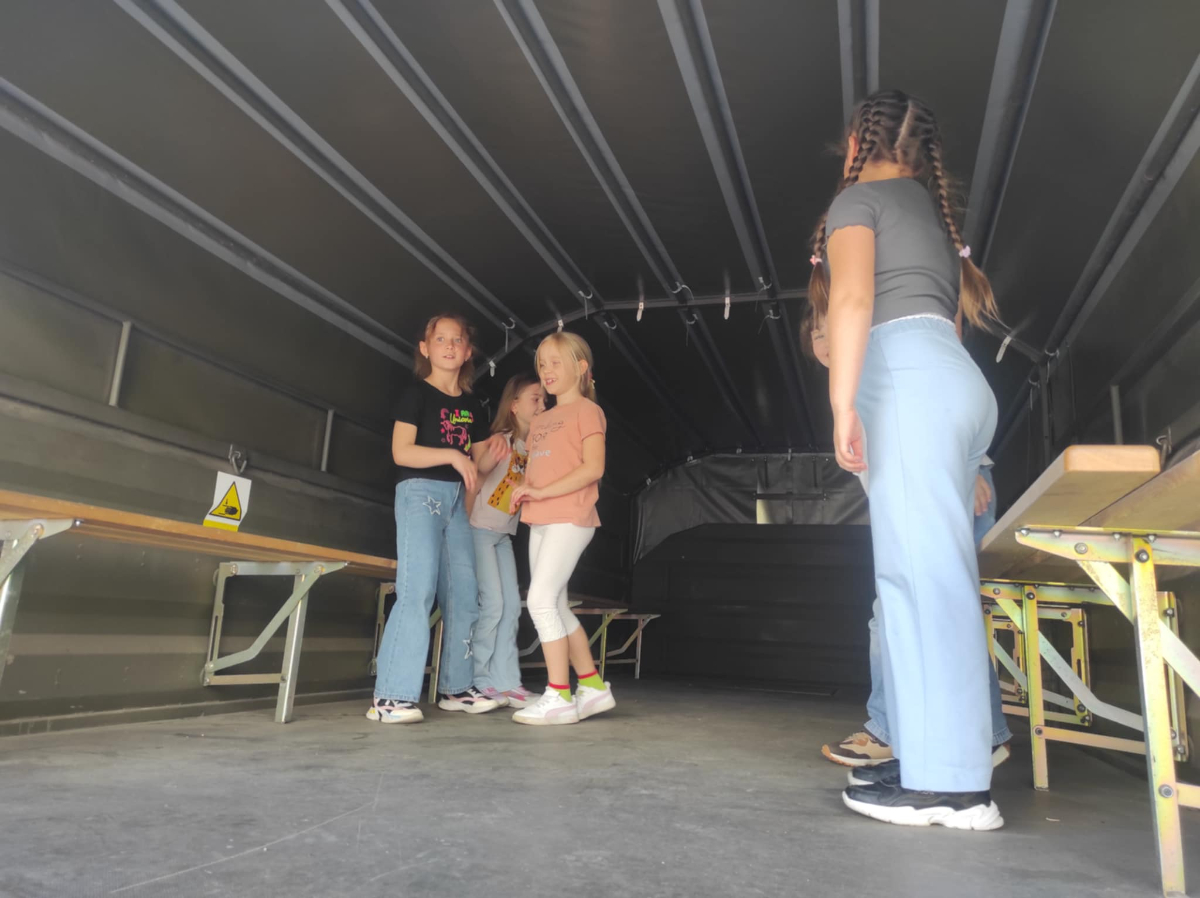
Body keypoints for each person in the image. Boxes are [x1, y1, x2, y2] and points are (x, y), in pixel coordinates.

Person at [810, 89, 1003, 829]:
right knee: (931, 582)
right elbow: (945, 318)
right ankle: (935, 759)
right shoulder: (928, 211)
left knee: (919, 583)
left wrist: (842, 403)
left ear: (858, 141)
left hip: (909, 381)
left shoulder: (858, 201)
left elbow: (852, 302)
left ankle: (953, 788)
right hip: (956, 382)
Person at [802, 308, 1013, 772]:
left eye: (832, 328)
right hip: (914, 502)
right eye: (817, 335)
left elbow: (938, 408)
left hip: (950, 489)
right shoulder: (851, 387)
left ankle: (890, 731)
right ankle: (984, 734)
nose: (826, 342)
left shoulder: (884, 365)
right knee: (932, 613)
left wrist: (975, 469)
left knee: (900, 614)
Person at [368, 313, 501, 724]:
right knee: (417, 590)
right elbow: (402, 452)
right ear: (425, 349)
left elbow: (478, 465)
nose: (449, 345)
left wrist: (493, 455)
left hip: (457, 501)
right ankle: (390, 697)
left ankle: (456, 689)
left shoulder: (473, 405)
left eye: (457, 340)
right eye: (440, 339)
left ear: (467, 351)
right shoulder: (416, 395)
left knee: (463, 595)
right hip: (419, 494)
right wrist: (452, 456)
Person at [509, 332, 615, 725]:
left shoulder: (588, 411)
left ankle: (558, 695)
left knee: (539, 600)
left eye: (556, 362)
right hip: (539, 518)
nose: (546, 370)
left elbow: (593, 468)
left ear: (581, 367)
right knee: (554, 604)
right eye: (542, 363)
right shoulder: (541, 418)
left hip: (570, 516)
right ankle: (592, 686)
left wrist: (540, 490)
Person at [468, 372, 545, 709]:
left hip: (504, 535)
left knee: (512, 607)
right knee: (494, 605)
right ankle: (480, 679)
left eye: (544, 400)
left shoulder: (535, 449)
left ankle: (508, 682)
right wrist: (490, 452)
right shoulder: (501, 440)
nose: (542, 405)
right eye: (535, 399)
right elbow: (478, 470)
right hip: (480, 530)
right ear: (514, 406)